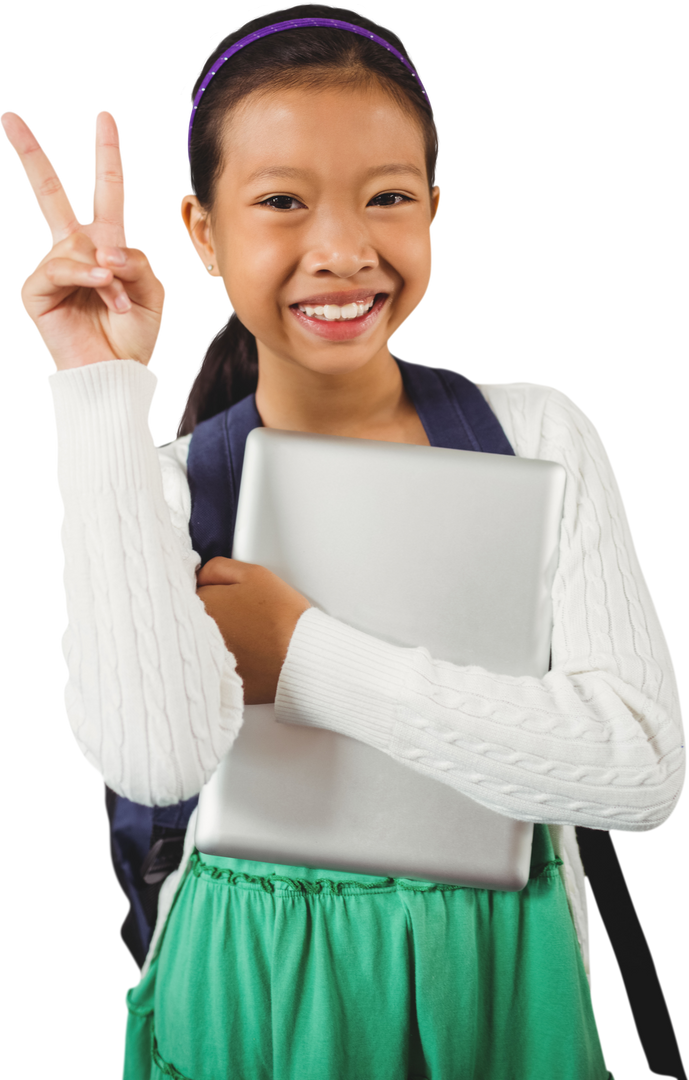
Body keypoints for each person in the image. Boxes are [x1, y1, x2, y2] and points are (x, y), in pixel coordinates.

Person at [2, 3, 684, 1077]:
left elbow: (639, 773)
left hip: (500, 980)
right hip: (246, 985)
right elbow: (150, 759)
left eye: (387, 199)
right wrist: (96, 389)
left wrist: (304, 656)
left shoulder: (534, 433)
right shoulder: (160, 485)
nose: (343, 249)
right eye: (280, 201)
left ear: (434, 212)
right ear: (200, 233)